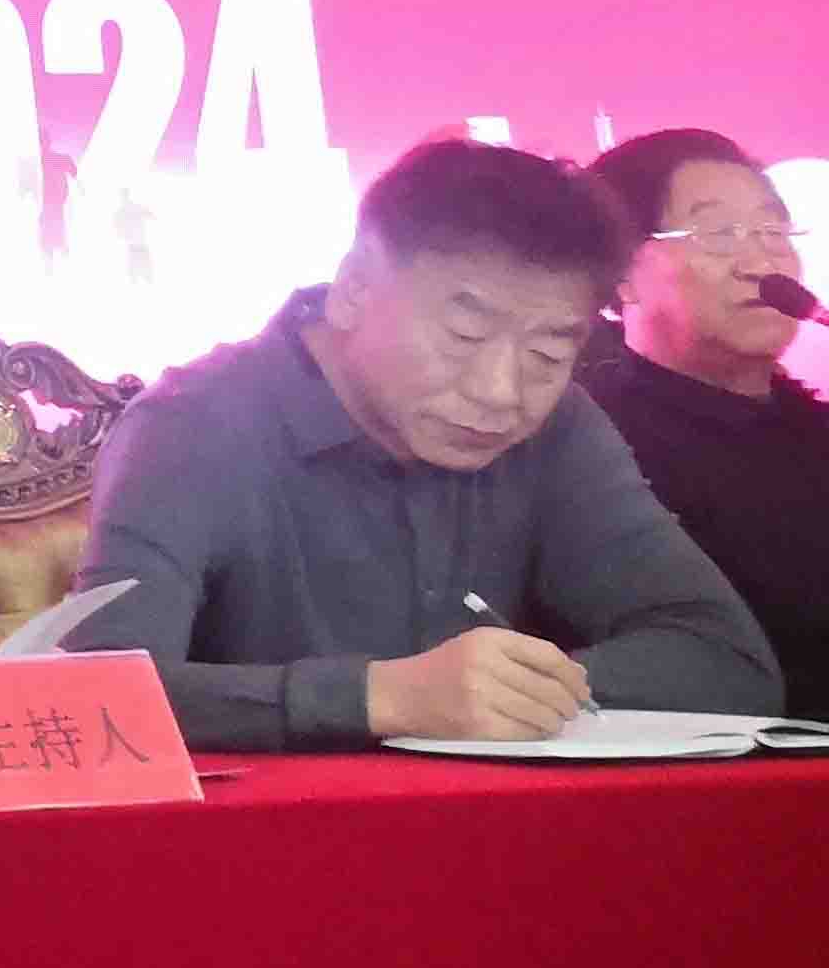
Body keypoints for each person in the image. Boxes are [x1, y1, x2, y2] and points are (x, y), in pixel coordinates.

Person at [72, 136, 772, 751]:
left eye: (548, 353)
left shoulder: (559, 427)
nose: (500, 391)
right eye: (464, 336)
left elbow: (728, 661)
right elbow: (88, 700)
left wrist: (515, 691)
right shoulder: (194, 425)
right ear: (353, 289)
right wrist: (378, 698)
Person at [580, 128, 829, 715]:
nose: (761, 263)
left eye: (773, 231)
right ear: (619, 273)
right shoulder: (591, 445)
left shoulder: (814, 429)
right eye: (719, 233)